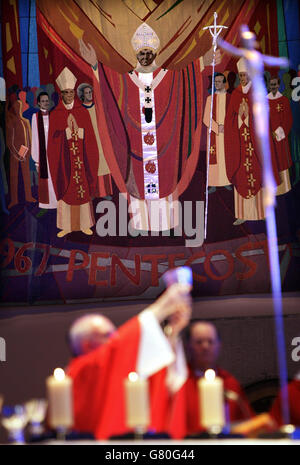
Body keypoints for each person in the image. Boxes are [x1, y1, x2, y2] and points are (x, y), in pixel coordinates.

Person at [79, 23, 221, 233]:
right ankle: (141, 224)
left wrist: (203, 61)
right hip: (136, 145)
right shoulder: (126, 79)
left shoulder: (168, 77)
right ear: (136, 54)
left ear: (154, 53)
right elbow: (110, 86)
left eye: (148, 52)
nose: (145, 56)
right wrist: (94, 65)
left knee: (165, 178)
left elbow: (186, 78)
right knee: (137, 180)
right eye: (141, 52)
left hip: (164, 144)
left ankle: (166, 224)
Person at [66, 281, 192, 439]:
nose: (115, 339)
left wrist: (173, 332)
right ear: (87, 344)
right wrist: (161, 308)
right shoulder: (80, 372)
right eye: (107, 335)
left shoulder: (118, 371)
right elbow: (117, 349)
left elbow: (168, 381)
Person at [171, 320, 254, 437]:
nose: (205, 346)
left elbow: (247, 424)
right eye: (199, 342)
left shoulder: (229, 383)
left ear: (219, 345)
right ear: (188, 346)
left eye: (210, 341)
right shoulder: (178, 381)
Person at [224, 57, 281, 225]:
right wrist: (241, 118)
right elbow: (230, 121)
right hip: (240, 145)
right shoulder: (235, 94)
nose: (243, 79)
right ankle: (243, 214)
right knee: (242, 175)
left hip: (255, 144)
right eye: (241, 76)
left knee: (259, 172)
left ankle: (262, 212)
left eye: (245, 75)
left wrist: (249, 116)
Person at [47, 67, 99, 237]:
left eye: (71, 92)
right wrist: (65, 135)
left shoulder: (82, 112)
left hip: (81, 161)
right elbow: (52, 142)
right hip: (64, 162)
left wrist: (80, 133)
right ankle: (66, 226)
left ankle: (85, 224)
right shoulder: (55, 114)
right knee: (67, 190)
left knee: (82, 191)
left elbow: (90, 138)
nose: (69, 95)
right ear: (61, 94)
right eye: (66, 92)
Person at [77, 83, 113, 199]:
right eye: (87, 93)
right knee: (91, 166)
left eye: (90, 92)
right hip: (88, 142)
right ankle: (93, 192)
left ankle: (105, 192)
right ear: (82, 95)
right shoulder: (80, 110)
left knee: (104, 165)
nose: (89, 95)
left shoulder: (98, 107)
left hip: (101, 140)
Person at [203, 72, 232, 194]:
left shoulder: (230, 98)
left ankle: (227, 181)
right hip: (215, 134)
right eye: (216, 82)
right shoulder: (210, 99)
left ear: (224, 83)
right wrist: (217, 127)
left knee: (227, 157)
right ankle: (213, 184)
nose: (217, 84)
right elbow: (205, 118)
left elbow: (233, 116)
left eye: (220, 81)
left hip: (227, 135)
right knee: (213, 159)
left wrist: (227, 127)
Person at [31, 92, 57, 210]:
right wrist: (36, 160)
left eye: (47, 101)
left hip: (53, 152)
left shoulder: (54, 115)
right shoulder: (35, 117)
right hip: (42, 154)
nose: (45, 103)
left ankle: (57, 202)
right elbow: (35, 137)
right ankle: (47, 203)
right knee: (46, 179)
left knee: (55, 177)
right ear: (38, 103)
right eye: (43, 101)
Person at [267, 76, 293, 196]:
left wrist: (277, 133)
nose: (273, 87)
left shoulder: (284, 100)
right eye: (271, 84)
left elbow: (288, 119)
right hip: (269, 139)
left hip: (280, 139)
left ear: (278, 85)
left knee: (281, 161)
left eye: (275, 84)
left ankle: (285, 188)